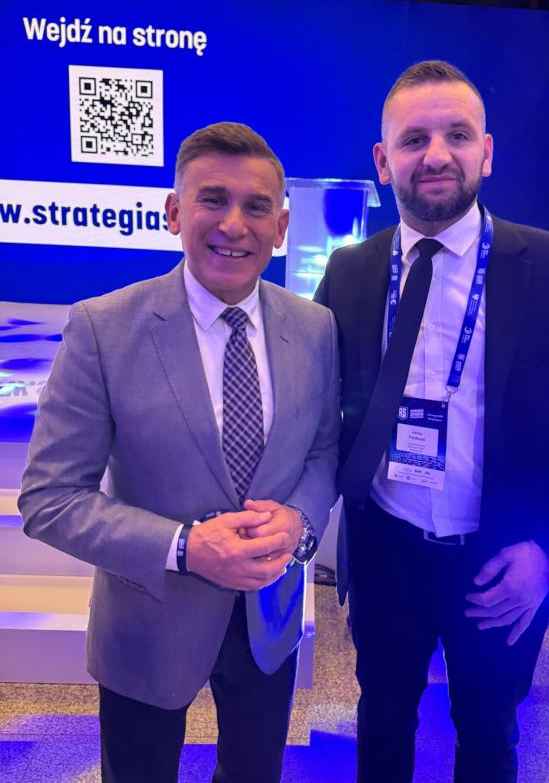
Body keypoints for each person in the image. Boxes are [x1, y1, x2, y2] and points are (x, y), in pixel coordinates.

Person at [314, 61, 549, 783]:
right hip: (386, 552)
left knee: (488, 733)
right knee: (382, 719)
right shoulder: (350, 272)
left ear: (485, 152)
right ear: (383, 160)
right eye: (414, 139)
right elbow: (318, 404)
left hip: (502, 561)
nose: (436, 155)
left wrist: (548, 549)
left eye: (456, 135)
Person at [19, 122, 340, 783]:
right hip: (148, 621)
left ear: (281, 227)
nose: (233, 224)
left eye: (256, 207)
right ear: (173, 212)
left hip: (268, 618)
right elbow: (49, 498)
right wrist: (185, 547)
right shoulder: (103, 328)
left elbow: (323, 451)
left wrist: (300, 522)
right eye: (211, 200)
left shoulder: (315, 327)